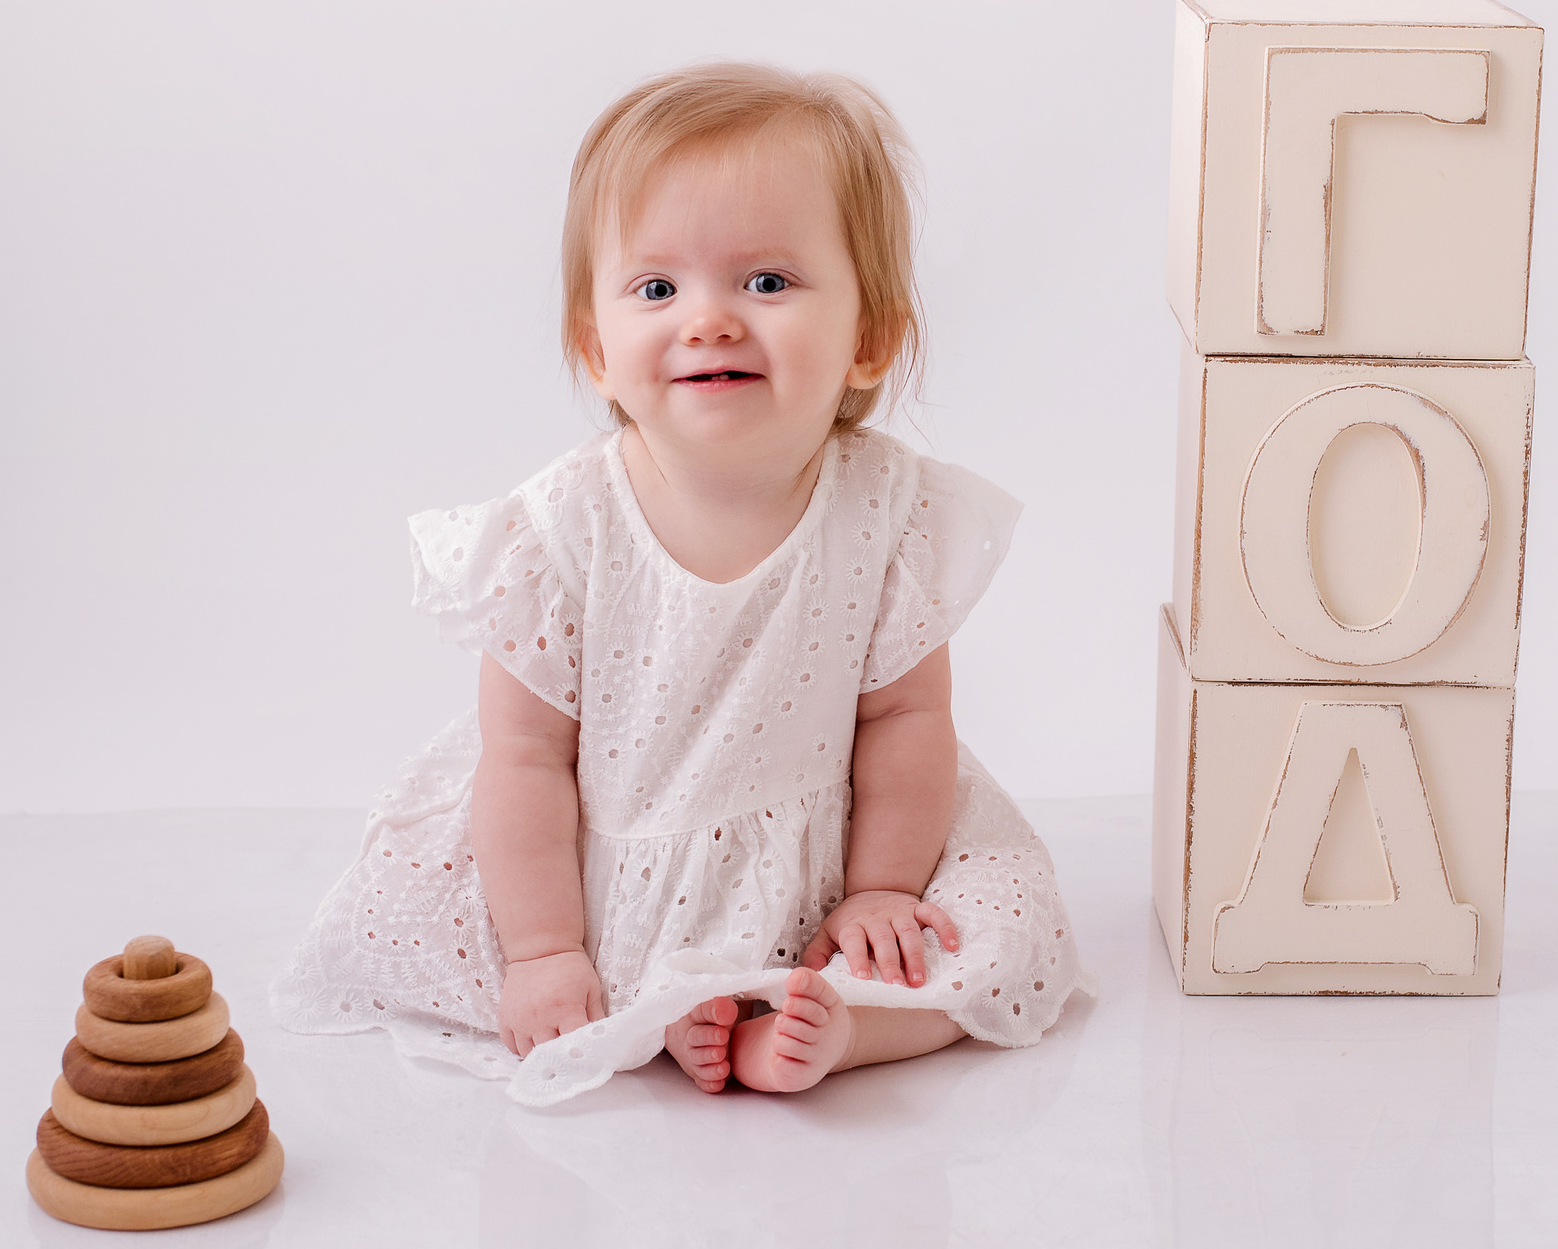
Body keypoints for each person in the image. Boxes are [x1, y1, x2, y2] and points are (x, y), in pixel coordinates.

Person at [272, 63, 1086, 1105]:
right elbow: (521, 758)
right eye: (658, 288)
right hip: (606, 877)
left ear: (869, 337)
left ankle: (845, 1026)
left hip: (829, 853)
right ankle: (658, 1006)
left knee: (1004, 923)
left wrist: (880, 886)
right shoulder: (558, 532)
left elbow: (905, 719)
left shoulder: (889, 512)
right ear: (596, 349)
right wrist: (543, 950)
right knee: (518, 965)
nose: (708, 319)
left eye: (766, 281)